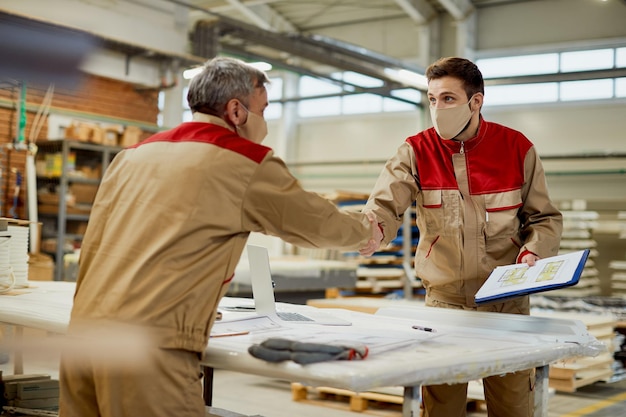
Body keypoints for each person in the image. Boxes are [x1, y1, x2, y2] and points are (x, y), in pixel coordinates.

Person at [58, 56, 382, 417]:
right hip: (149, 350)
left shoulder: (133, 155)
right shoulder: (242, 160)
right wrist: (367, 230)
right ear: (236, 111)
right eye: (263, 110)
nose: (265, 123)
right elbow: (312, 220)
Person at [362, 57, 562, 417]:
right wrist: (371, 231)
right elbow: (383, 206)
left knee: (513, 406)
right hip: (444, 304)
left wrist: (534, 251)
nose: (438, 108)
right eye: (432, 99)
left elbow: (545, 218)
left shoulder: (517, 148)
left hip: (507, 305)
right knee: (441, 408)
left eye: (449, 98)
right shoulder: (416, 151)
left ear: (476, 102)